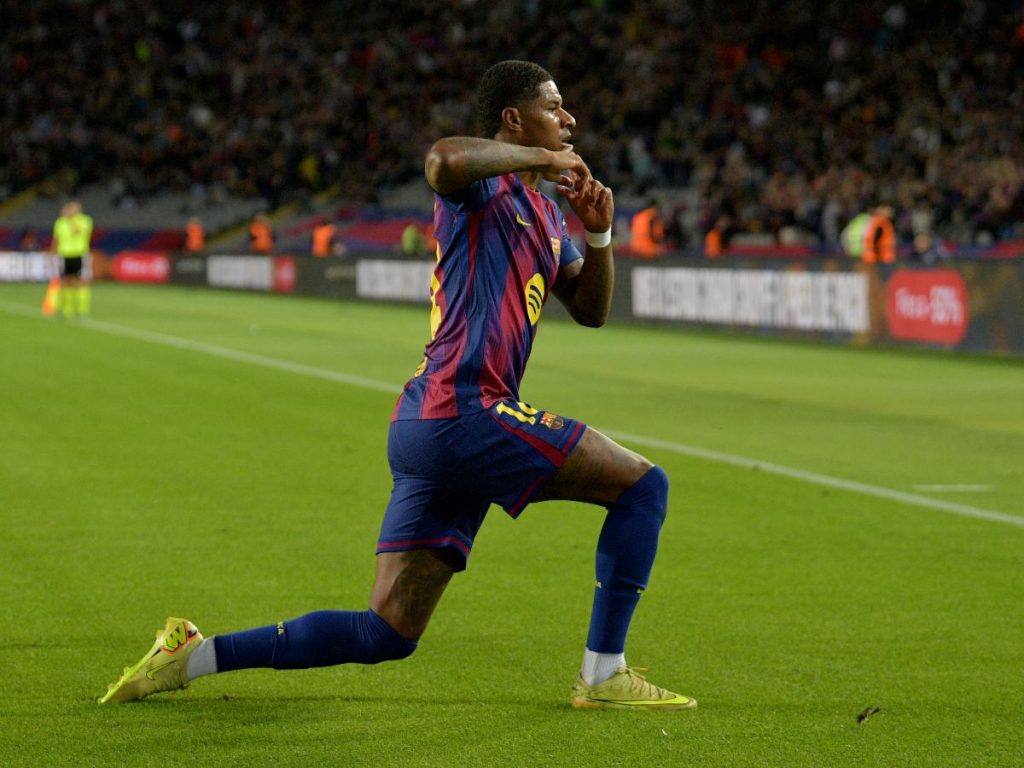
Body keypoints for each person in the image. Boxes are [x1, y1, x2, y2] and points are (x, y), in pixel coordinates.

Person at [99, 60, 695, 712]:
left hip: (428, 425)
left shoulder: (547, 216)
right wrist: (537, 156)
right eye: (556, 107)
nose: (570, 120)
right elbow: (442, 160)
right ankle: (605, 674)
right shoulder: (482, 192)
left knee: (386, 631)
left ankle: (191, 654)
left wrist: (600, 232)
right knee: (644, 486)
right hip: (469, 408)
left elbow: (591, 307)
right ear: (514, 120)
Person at [51, 200, 93, 318]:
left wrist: (72, 221)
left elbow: (78, 232)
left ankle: (82, 309)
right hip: (64, 254)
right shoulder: (60, 222)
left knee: (81, 281)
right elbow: (56, 239)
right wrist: (52, 252)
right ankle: (67, 309)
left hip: (80, 254)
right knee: (66, 280)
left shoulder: (85, 221)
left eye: (73, 209)